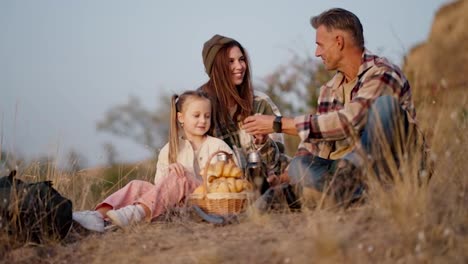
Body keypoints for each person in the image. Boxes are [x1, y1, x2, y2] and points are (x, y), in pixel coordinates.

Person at [243, 8, 430, 206]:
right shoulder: (328, 91)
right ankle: (350, 191)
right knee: (299, 165)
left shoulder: (383, 73)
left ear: (339, 42)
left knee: (386, 106)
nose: (317, 53)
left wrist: (278, 124)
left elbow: (349, 121)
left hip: (392, 170)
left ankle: (345, 183)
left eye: (320, 45)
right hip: (343, 176)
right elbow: (312, 146)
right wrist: (282, 177)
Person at [73, 90, 234, 232]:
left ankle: (136, 213)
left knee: (182, 177)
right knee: (137, 185)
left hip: (206, 201)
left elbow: (233, 180)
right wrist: (170, 172)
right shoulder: (170, 149)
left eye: (207, 116)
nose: (203, 121)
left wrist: (192, 177)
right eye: (196, 115)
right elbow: (158, 187)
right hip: (176, 206)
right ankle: (98, 216)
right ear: (181, 117)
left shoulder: (218, 146)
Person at [198, 34, 298, 208]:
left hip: (260, 186)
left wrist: (263, 143)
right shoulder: (199, 107)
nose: (239, 66)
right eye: (230, 62)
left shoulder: (260, 103)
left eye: (241, 59)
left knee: (301, 170)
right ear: (216, 68)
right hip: (214, 189)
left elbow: (278, 162)